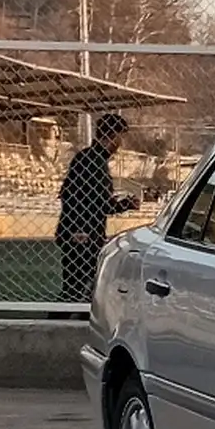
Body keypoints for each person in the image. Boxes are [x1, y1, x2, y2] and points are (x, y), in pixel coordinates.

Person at [56, 112, 136, 303]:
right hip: (83, 236)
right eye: (120, 137)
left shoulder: (87, 158)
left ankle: (68, 320)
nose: (120, 144)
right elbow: (86, 200)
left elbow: (83, 197)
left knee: (82, 286)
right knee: (76, 287)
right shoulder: (93, 162)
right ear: (112, 136)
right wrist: (78, 229)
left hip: (83, 234)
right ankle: (59, 322)